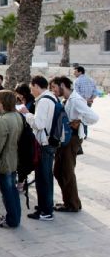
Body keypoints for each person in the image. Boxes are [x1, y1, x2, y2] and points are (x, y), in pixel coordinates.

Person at [54, 76, 98, 212]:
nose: (54, 91)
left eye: (55, 87)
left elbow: (94, 117)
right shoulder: (69, 99)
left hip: (72, 139)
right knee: (58, 171)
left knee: (67, 172)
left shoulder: (76, 99)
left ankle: (72, 204)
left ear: (62, 85)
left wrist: (79, 121)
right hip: (66, 139)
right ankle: (69, 201)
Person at [19, 75, 57, 221]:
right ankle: (45, 206)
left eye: (31, 88)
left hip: (45, 144)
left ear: (36, 85)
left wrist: (26, 114)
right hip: (50, 143)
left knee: (43, 178)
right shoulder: (52, 98)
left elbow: (39, 124)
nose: (31, 91)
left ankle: (46, 211)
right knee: (46, 177)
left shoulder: (43, 101)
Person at [0, 90, 23, 228]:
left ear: (3, 102)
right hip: (14, 158)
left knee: (7, 192)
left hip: (4, 161)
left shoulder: (3, 120)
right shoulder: (17, 116)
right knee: (13, 190)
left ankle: (11, 219)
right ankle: (16, 217)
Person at [73, 66, 96, 138]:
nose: (74, 73)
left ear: (80, 72)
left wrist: (85, 99)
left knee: (79, 118)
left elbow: (77, 93)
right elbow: (95, 91)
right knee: (85, 117)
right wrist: (91, 99)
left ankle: (82, 134)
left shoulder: (77, 81)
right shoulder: (91, 80)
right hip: (89, 102)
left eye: (75, 72)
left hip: (81, 102)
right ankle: (85, 134)